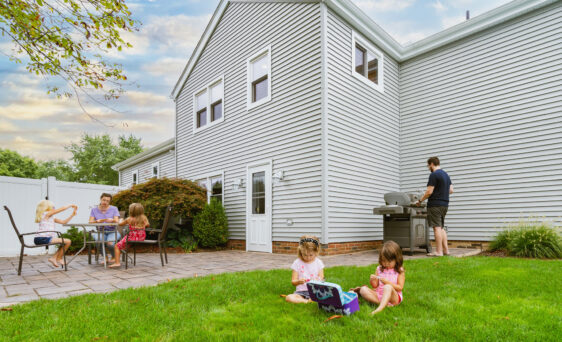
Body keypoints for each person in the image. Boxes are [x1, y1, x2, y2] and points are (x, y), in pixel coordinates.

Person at [351, 241, 405, 314]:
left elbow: (400, 287)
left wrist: (387, 282)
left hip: (393, 298)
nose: (386, 264)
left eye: (389, 262)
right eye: (384, 261)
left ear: (397, 259)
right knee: (363, 289)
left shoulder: (399, 270)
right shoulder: (379, 269)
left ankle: (379, 309)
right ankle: (383, 304)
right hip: (379, 295)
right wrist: (373, 281)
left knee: (387, 287)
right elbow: (375, 286)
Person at [416, 156, 454, 256]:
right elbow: (451, 190)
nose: (428, 167)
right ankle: (446, 250)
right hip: (445, 204)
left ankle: (438, 251)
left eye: (428, 165)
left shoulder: (434, 175)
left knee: (436, 227)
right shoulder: (446, 175)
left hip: (435, 205)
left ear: (432, 164)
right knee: (441, 227)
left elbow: (429, 191)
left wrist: (420, 200)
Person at [34, 200, 77, 268]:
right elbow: (62, 209)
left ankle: (54, 258)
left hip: (45, 238)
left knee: (65, 242)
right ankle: (59, 258)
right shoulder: (46, 214)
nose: (54, 208)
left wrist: (72, 215)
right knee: (68, 241)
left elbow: (63, 222)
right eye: (52, 206)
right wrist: (70, 205)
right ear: (46, 207)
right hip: (41, 238)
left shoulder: (51, 217)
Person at [285, 235, 325, 304]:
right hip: (301, 292)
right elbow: (293, 282)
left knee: (327, 295)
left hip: (315, 291)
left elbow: (322, 278)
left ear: (316, 252)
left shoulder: (318, 262)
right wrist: (299, 281)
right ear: (300, 252)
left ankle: (312, 299)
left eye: (311, 255)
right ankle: (306, 301)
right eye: (305, 255)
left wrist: (317, 281)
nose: (308, 258)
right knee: (289, 297)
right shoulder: (297, 263)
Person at [109, 203, 149, 268]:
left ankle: (117, 263)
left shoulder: (129, 219)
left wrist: (120, 220)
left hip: (132, 237)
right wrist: (140, 226)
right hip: (141, 237)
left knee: (116, 246)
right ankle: (123, 249)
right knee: (124, 243)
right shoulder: (144, 218)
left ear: (131, 211)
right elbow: (147, 225)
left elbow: (120, 224)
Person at [89, 193, 121, 264]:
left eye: (107, 201)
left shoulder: (114, 208)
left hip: (113, 231)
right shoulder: (94, 210)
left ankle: (113, 256)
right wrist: (96, 221)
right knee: (98, 241)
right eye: (104, 200)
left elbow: (117, 221)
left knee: (110, 243)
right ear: (100, 199)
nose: (105, 202)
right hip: (100, 231)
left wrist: (112, 220)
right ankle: (105, 257)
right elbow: (90, 222)